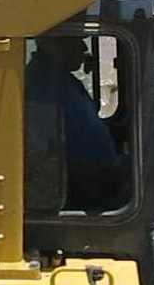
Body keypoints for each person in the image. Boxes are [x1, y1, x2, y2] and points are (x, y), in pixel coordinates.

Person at [27, 32, 126, 209]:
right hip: (78, 186)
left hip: (93, 175)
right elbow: (43, 153)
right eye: (75, 40)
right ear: (51, 45)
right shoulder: (40, 85)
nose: (84, 48)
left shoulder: (60, 79)